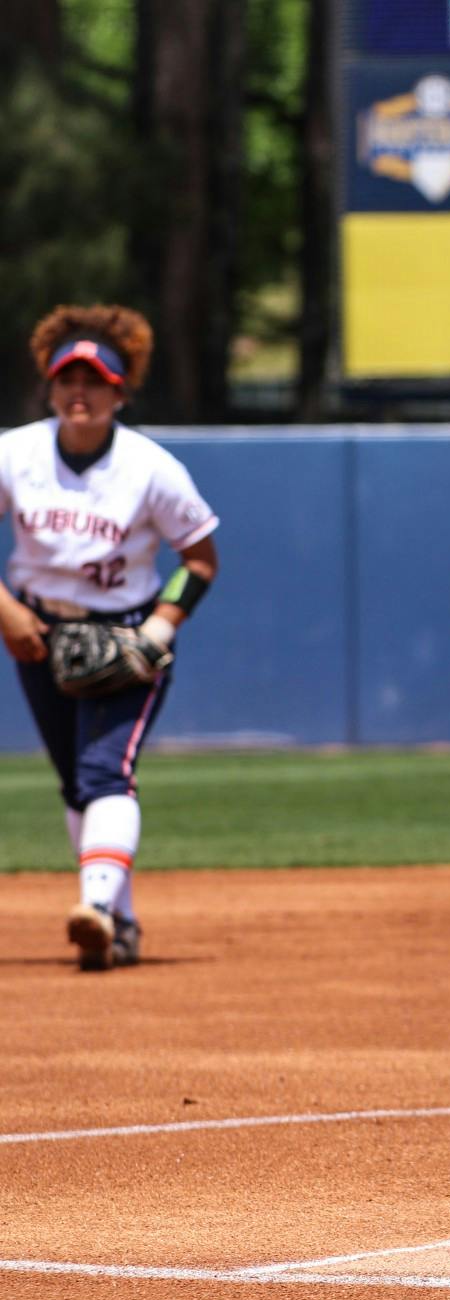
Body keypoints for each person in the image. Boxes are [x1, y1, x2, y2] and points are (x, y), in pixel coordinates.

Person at [0, 305, 220, 971]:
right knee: (76, 785)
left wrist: (160, 625)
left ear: (120, 392)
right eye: (68, 378)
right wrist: (5, 609)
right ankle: (119, 922)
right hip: (38, 631)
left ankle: (95, 906)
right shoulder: (16, 452)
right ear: (49, 386)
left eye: (95, 380)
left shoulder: (150, 468)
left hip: (127, 633)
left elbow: (200, 558)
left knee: (105, 773)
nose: (80, 392)